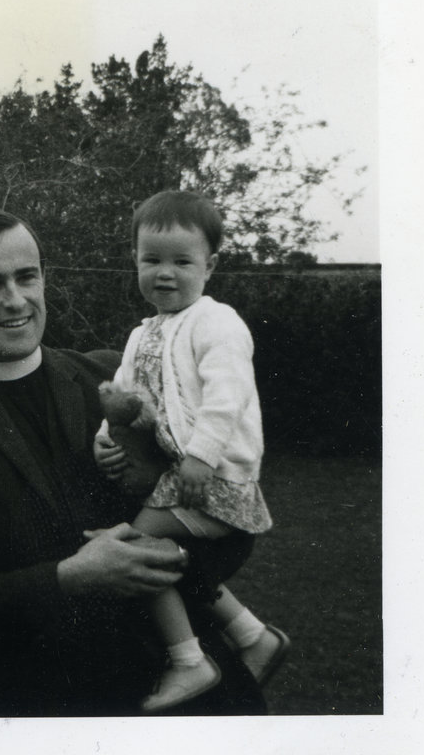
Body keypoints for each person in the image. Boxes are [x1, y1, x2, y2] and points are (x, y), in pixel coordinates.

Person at [0, 208, 265, 716]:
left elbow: (227, 519)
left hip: (197, 701)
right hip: (52, 710)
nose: (16, 299)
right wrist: (69, 576)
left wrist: (169, 551)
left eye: (27, 276)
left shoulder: (113, 376)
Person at [93, 190, 290, 712]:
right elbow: (124, 397)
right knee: (162, 557)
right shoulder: (144, 335)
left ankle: (189, 660)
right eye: (151, 260)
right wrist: (105, 442)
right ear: (134, 259)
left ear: (210, 265)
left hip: (216, 477)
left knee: (134, 546)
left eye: (182, 261)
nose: (165, 273)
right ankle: (252, 636)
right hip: (181, 477)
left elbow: (228, 396)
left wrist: (202, 455)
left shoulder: (216, 322)